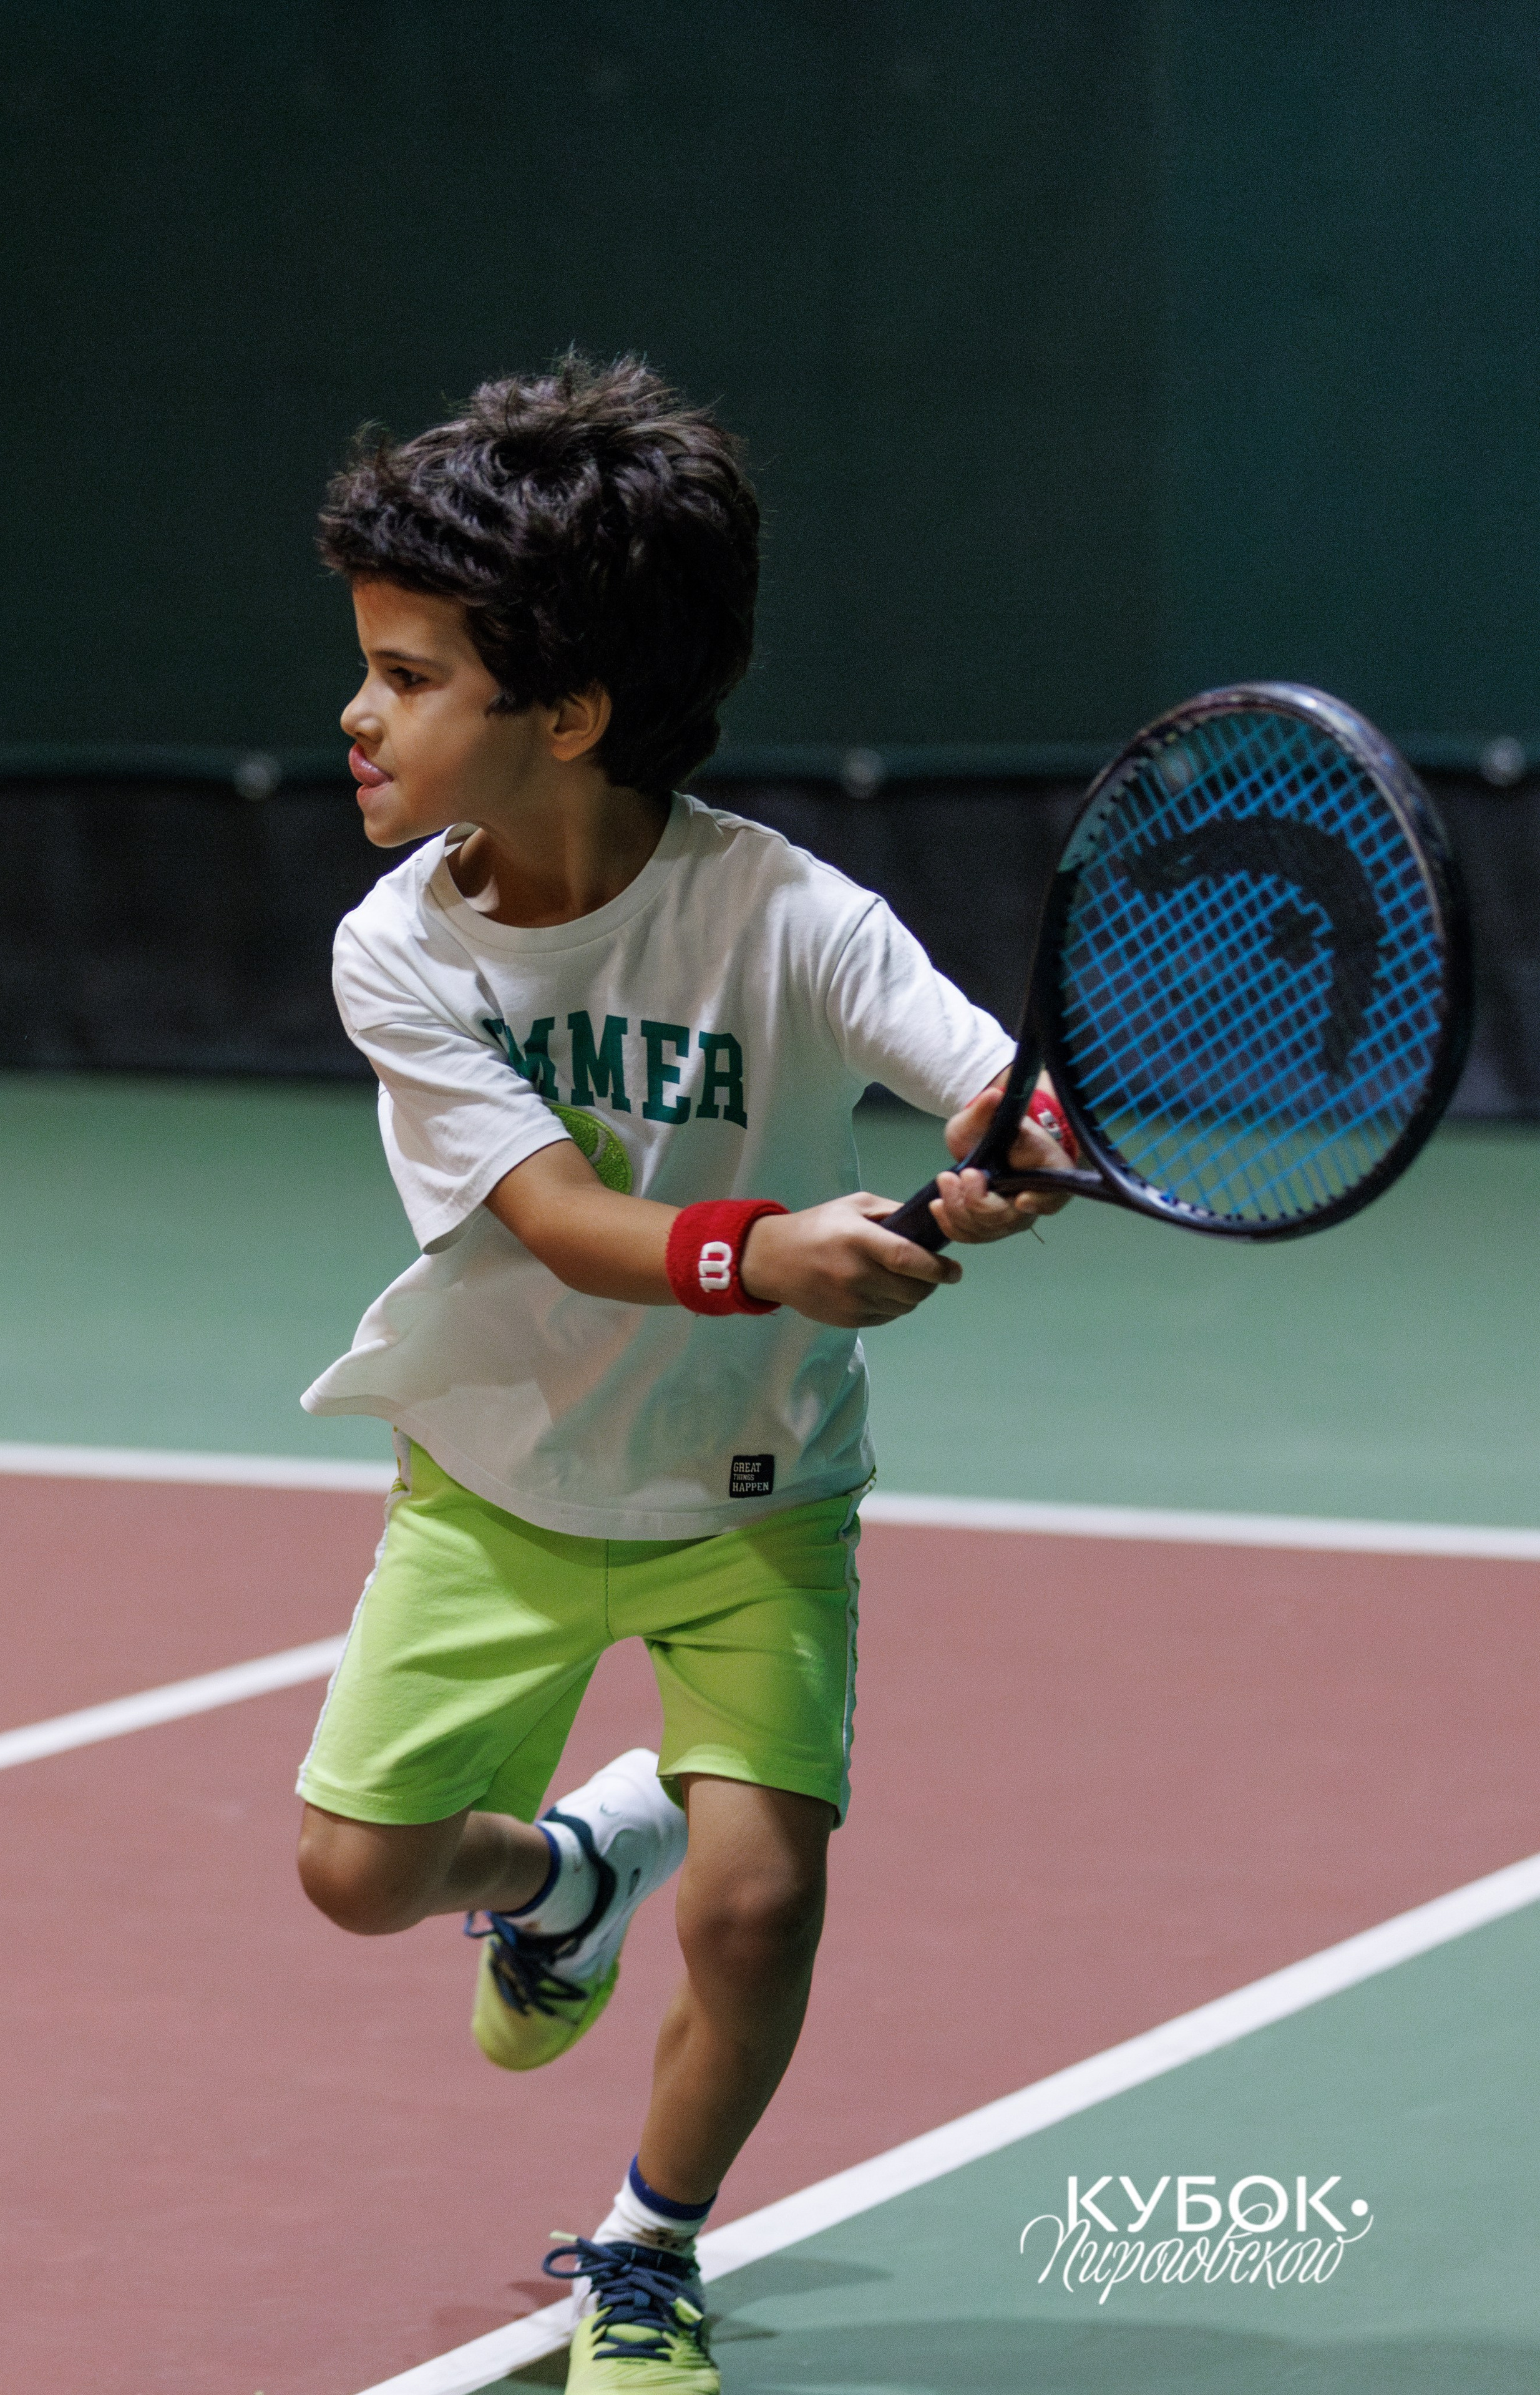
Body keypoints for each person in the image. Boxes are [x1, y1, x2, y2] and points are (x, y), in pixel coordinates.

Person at [293, 354, 1070, 2393]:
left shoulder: (792, 919)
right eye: (362, 664)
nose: (355, 715)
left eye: (406, 673)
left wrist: (1016, 1149)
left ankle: (646, 2249)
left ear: (567, 713)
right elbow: (553, 1218)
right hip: (501, 1479)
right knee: (356, 1876)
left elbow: (992, 1077)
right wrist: (782, 1257)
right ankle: (560, 1872)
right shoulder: (408, 952)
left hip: (754, 1503)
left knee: (757, 1903)